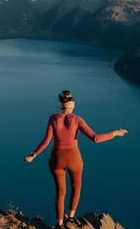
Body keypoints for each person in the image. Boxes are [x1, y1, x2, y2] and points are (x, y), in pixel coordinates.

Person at [24, 90, 127, 228]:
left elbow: (46, 141)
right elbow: (95, 138)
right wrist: (115, 133)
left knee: (60, 193)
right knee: (76, 188)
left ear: (61, 104)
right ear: (73, 104)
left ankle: (60, 224)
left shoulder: (53, 118)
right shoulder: (77, 119)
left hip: (57, 159)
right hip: (74, 159)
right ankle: (70, 219)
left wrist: (33, 155)